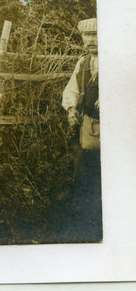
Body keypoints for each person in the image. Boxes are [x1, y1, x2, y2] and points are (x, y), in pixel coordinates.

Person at [62, 17, 101, 241]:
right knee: (85, 169)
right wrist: (71, 109)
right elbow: (72, 89)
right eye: (87, 36)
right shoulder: (83, 62)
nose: (90, 40)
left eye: (95, 35)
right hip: (88, 125)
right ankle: (83, 223)